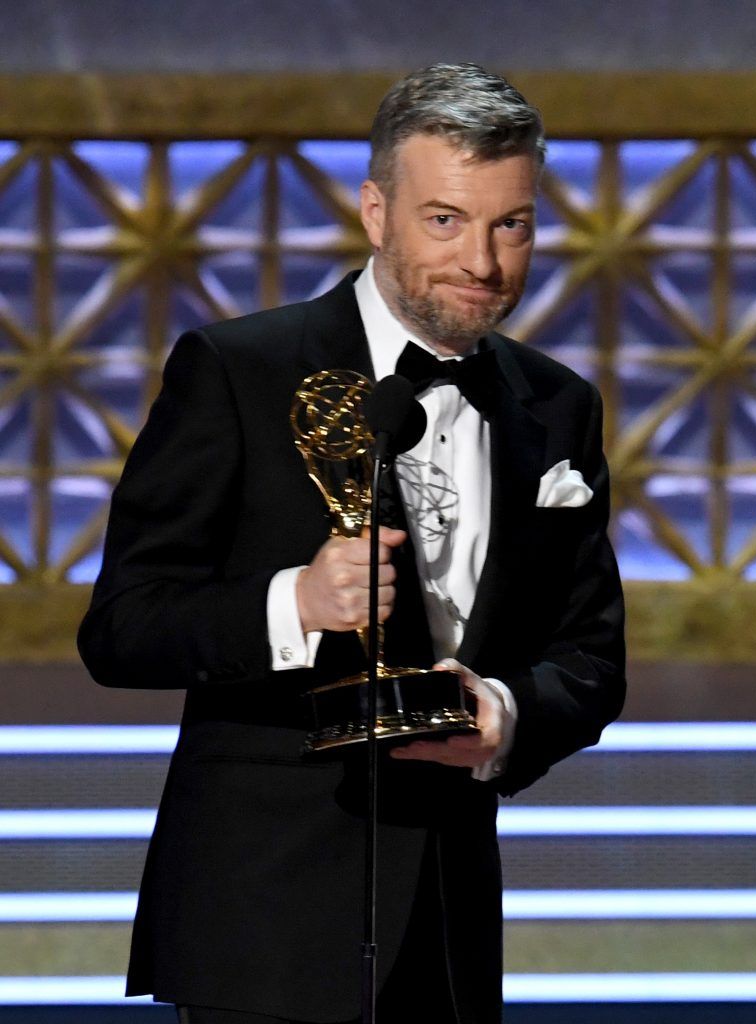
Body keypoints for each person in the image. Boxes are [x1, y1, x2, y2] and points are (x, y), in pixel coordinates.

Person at [78, 63, 625, 1024]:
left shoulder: (557, 406)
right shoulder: (238, 371)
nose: (485, 263)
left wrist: (499, 717)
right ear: (376, 211)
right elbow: (122, 627)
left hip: (450, 926)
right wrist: (295, 603)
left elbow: (589, 657)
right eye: (446, 220)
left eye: (513, 224)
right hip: (263, 916)